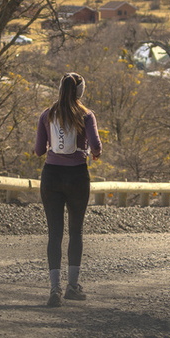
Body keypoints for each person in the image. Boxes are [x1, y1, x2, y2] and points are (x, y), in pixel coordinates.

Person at [34, 72, 102, 308]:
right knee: (76, 231)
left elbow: (38, 151)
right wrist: (94, 151)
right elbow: (96, 146)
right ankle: (73, 286)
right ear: (80, 92)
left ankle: (54, 288)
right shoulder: (86, 115)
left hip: (51, 176)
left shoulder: (47, 114)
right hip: (77, 176)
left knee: (54, 234)